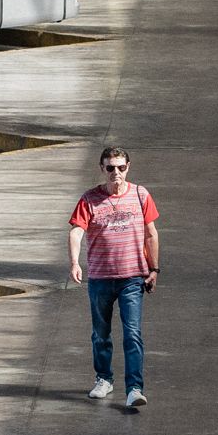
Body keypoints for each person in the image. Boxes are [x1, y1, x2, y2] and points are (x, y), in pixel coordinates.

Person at [68, 147, 159, 409]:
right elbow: (76, 232)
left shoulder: (141, 195)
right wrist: (74, 262)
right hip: (100, 279)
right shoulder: (89, 199)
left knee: (132, 333)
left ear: (128, 167)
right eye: (110, 168)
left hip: (132, 278)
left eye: (120, 167)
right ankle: (104, 379)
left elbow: (151, 234)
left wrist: (154, 270)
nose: (115, 173)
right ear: (102, 168)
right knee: (101, 334)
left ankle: (134, 388)